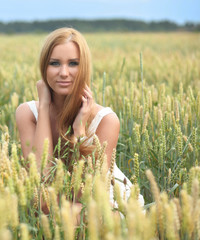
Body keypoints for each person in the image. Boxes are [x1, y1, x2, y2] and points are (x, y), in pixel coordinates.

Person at [15, 27, 144, 212]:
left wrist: (79, 132)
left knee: (76, 216)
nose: (64, 73)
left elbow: (85, 197)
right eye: (55, 63)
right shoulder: (27, 114)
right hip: (61, 212)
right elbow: (42, 197)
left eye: (73, 63)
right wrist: (44, 108)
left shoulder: (106, 120)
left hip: (104, 210)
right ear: (44, 66)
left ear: (84, 67)